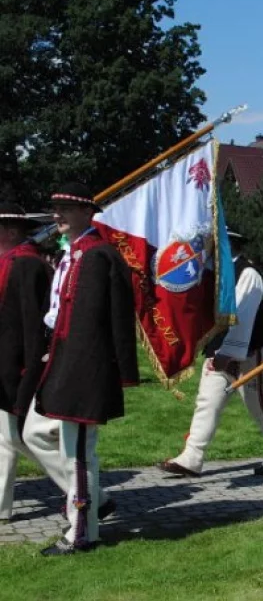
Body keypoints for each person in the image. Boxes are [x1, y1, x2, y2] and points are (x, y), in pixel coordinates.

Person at [31, 183, 139, 556]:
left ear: (86, 213)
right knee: (70, 449)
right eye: (55, 208)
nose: (56, 215)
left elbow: (92, 325)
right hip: (68, 363)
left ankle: (81, 534)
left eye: (65, 209)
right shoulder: (75, 254)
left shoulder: (95, 256)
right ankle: (87, 520)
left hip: (82, 368)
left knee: (78, 453)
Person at [158, 229, 263, 478]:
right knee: (207, 403)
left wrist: (228, 353)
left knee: (258, 404)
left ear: (230, 245)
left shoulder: (247, 273)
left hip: (248, 350)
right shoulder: (213, 274)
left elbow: (241, 315)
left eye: (215, 244)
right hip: (218, 349)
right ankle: (192, 457)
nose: (208, 248)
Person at [0, 203, 57, 522]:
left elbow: (31, 325)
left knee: (20, 437)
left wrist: (27, 369)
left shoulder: (25, 265)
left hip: (17, 365)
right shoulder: (10, 262)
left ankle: (84, 488)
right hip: (7, 363)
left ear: (10, 231)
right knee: (5, 439)